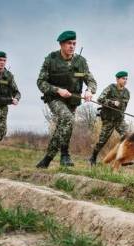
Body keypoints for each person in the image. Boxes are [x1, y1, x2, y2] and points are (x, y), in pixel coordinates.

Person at [36, 30, 97, 168]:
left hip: (72, 101)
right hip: (55, 98)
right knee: (67, 119)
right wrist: (58, 90)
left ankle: (47, 159)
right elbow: (40, 82)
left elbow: (91, 81)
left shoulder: (81, 62)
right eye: (69, 43)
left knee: (64, 127)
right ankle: (65, 155)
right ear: (61, 44)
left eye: (74, 44)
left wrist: (89, 91)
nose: (72, 46)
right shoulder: (51, 59)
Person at [89, 71, 130, 165]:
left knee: (127, 137)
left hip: (119, 120)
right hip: (108, 120)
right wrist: (112, 102)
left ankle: (122, 159)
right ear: (117, 79)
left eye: (126, 79)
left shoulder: (127, 92)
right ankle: (93, 157)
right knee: (102, 141)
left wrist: (121, 114)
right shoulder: (110, 88)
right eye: (123, 78)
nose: (125, 80)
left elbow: (124, 107)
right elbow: (100, 100)